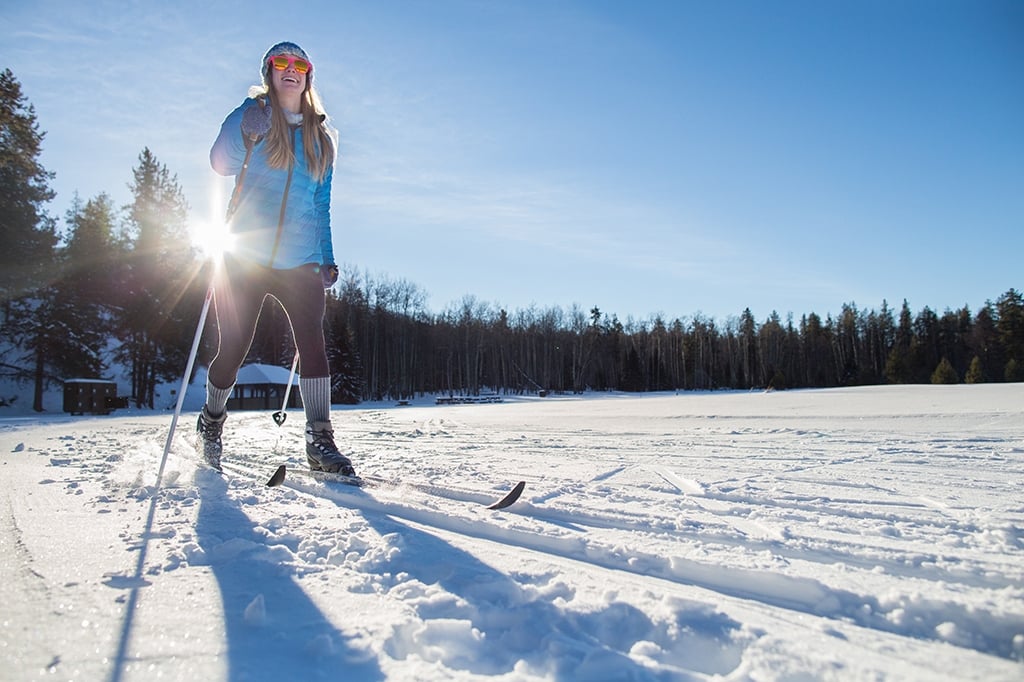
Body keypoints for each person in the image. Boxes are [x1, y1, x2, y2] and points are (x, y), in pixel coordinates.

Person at [197, 41, 355, 476]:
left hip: (300, 259)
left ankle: (319, 439)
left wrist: (326, 257)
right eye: (280, 62)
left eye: (299, 64)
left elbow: (321, 204)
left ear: (308, 75)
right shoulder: (254, 116)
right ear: (269, 71)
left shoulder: (321, 138)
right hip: (244, 255)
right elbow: (221, 164)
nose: (290, 69)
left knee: (313, 344)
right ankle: (211, 419)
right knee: (233, 346)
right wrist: (243, 129)